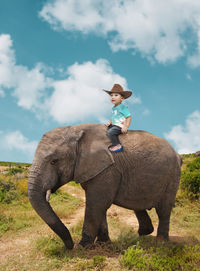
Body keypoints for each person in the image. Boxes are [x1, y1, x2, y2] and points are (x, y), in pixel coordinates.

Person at [103, 83, 132, 152]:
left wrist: (125, 126)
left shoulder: (122, 107)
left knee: (110, 132)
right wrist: (110, 122)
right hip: (115, 124)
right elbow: (114, 117)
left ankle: (117, 145)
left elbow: (128, 117)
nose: (113, 97)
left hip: (120, 125)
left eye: (116, 95)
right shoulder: (114, 108)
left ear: (122, 98)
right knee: (105, 129)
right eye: (111, 95)